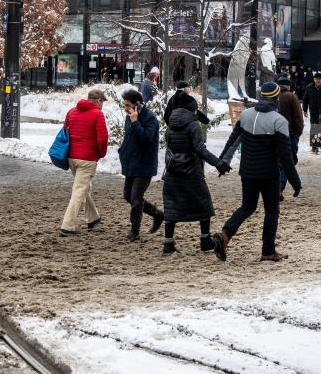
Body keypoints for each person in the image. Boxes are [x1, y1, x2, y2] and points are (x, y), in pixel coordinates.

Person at [213, 83, 301, 262]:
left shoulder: (245, 115)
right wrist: (295, 182)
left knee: (247, 207)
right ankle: (268, 251)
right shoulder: (279, 121)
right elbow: (286, 156)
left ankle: (225, 235)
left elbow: (233, 141)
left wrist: (223, 163)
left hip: (248, 172)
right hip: (269, 174)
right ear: (276, 99)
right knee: (272, 211)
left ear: (261, 97)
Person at [161, 91, 228, 254]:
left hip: (172, 171)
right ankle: (205, 241)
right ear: (192, 109)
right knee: (204, 204)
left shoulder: (171, 124)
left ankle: (168, 243)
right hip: (191, 171)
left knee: (172, 206)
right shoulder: (193, 125)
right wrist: (218, 163)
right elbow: (200, 149)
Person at [59, 89, 109, 237]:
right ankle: (68, 226)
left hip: (71, 157)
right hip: (87, 158)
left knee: (82, 188)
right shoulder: (97, 114)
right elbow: (102, 139)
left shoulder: (72, 112)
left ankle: (93, 218)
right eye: (102, 102)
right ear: (98, 101)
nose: (102, 105)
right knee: (79, 191)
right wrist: (100, 154)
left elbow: (65, 132)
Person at [118, 89, 163, 242]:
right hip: (131, 162)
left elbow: (146, 138)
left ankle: (134, 231)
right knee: (127, 195)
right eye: (124, 105)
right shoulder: (129, 116)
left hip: (145, 163)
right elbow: (129, 138)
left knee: (136, 197)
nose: (125, 108)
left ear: (136, 104)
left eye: (127, 105)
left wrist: (136, 122)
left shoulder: (150, 118)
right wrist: (122, 151)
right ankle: (157, 214)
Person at [276, 75, 305, 165]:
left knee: (279, 158)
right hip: (289, 132)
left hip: (275, 132)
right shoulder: (292, 96)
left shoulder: (274, 96)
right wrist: (299, 131)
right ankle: (285, 174)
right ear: (288, 86)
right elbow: (298, 116)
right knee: (290, 158)